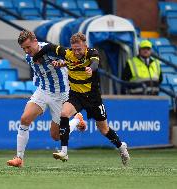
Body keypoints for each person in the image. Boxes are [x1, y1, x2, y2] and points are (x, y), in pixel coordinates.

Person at [33, 32, 130, 166]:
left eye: (79, 49)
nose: (77, 52)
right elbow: (49, 47)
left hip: (93, 98)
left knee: (104, 130)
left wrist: (91, 68)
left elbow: (95, 63)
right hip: (76, 96)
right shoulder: (67, 53)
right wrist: (36, 57)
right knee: (64, 114)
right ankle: (64, 151)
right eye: (74, 49)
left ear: (85, 46)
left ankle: (121, 147)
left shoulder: (92, 53)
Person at [7, 30, 86, 167]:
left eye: (28, 47)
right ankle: (19, 158)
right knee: (25, 119)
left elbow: (73, 58)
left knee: (56, 136)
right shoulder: (29, 57)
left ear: (35, 41)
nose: (26, 51)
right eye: (23, 48)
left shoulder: (51, 50)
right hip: (43, 91)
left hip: (61, 95)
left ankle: (76, 121)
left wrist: (62, 62)